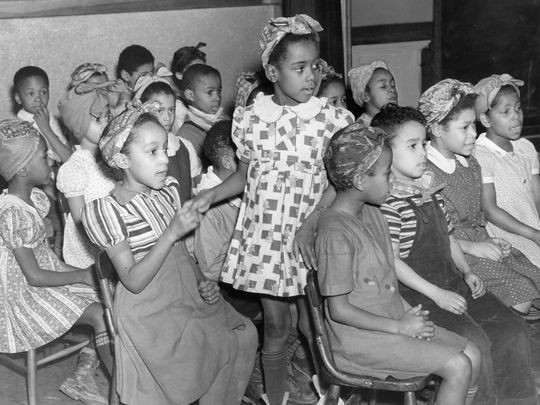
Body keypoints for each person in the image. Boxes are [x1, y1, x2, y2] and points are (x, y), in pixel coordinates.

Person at [191, 14, 354, 405]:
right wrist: (207, 198)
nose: (311, 76)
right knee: (278, 325)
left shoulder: (331, 119)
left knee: (318, 320)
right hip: (265, 237)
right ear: (272, 70)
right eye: (299, 68)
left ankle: (331, 393)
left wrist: (312, 222)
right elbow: (244, 176)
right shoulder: (250, 120)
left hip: (310, 233)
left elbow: (339, 182)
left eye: (314, 66)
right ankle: (276, 396)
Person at [81, 102, 257, 405]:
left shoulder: (167, 192)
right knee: (213, 346)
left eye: (165, 149)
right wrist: (172, 232)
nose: (165, 159)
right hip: (148, 312)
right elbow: (134, 281)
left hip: (183, 293)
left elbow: (182, 256)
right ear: (122, 159)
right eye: (152, 152)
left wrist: (202, 279)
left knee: (244, 333)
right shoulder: (108, 211)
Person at [374, 103, 539, 405]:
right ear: (384, 153)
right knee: (476, 341)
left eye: (423, 143)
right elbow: (390, 261)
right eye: (412, 146)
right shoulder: (387, 203)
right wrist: (436, 294)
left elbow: (448, 238)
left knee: (512, 327)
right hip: (417, 296)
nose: (423, 152)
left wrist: (467, 271)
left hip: (453, 282)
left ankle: (519, 399)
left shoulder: (430, 188)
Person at [316, 122, 481, 405]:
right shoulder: (335, 233)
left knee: (474, 355)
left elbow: (387, 282)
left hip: (391, 320)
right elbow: (339, 309)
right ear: (360, 180)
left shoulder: (373, 215)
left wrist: (411, 316)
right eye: (385, 174)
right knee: (459, 366)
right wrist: (400, 327)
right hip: (358, 339)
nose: (392, 181)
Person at [418, 79, 539, 403]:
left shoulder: (469, 163)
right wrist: (474, 247)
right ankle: (501, 369)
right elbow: (435, 233)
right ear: (437, 130)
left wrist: (491, 241)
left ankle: (515, 368)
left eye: (474, 126)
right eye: (466, 127)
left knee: (534, 278)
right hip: (454, 254)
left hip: (480, 240)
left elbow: (479, 215)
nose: (474, 135)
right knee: (521, 298)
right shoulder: (426, 171)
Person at [0, 119, 112, 405]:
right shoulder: (13, 214)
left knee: (112, 296)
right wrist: (81, 276)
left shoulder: (33, 199)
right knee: (101, 313)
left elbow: (46, 259)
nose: (49, 157)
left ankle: (103, 372)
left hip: (43, 279)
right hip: (22, 300)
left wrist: (87, 274)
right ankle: (122, 388)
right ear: (22, 170)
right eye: (42, 155)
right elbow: (34, 276)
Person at [473, 74, 540, 269]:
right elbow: (490, 210)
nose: (516, 116)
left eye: (518, 108)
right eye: (506, 111)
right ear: (486, 118)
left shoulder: (525, 147)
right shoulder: (481, 154)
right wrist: (534, 234)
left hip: (534, 228)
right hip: (508, 237)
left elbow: (537, 198)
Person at [57, 70, 116, 270]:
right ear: (79, 124)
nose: (106, 122)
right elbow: (82, 222)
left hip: (119, 240)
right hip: (93, 255)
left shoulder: (113, 157)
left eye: (108, 115)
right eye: (98, 119)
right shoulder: (74, 168)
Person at [133, 69, 202, 203]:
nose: (167, 118)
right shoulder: (135, 149)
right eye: (159, 110)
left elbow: (195, 187)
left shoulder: (184, 147)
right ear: (141, 110)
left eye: (171, 110)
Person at [13, 65, 71, 163]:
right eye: (31, 93)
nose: (38, 98)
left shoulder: (50, 118)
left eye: (43, 92)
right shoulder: (18, 127)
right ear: (18, 98)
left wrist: (46, 128)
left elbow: (68, 157)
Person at [177, 64, 227, 159]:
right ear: (190, 95)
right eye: (209, 92)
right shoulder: (187, 135)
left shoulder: (224, 118)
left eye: (219, 91)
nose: (217, 98)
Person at [170, 42, 207, 133]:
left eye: (203, 70)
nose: (201, 75)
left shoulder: (204, 96)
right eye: (194, 70)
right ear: (180, 75)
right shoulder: (178, 109)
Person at [348, 60, 397, 125]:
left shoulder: (397, 122)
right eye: (383, 86)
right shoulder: (361, 130)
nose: (392, 90)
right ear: (365, 96)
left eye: (393, 85)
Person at [113, 44, 155, 114]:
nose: (150, 78)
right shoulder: (116, 99)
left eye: (152, 73)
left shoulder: (157, 91)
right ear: (126, 75)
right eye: (144, 75)